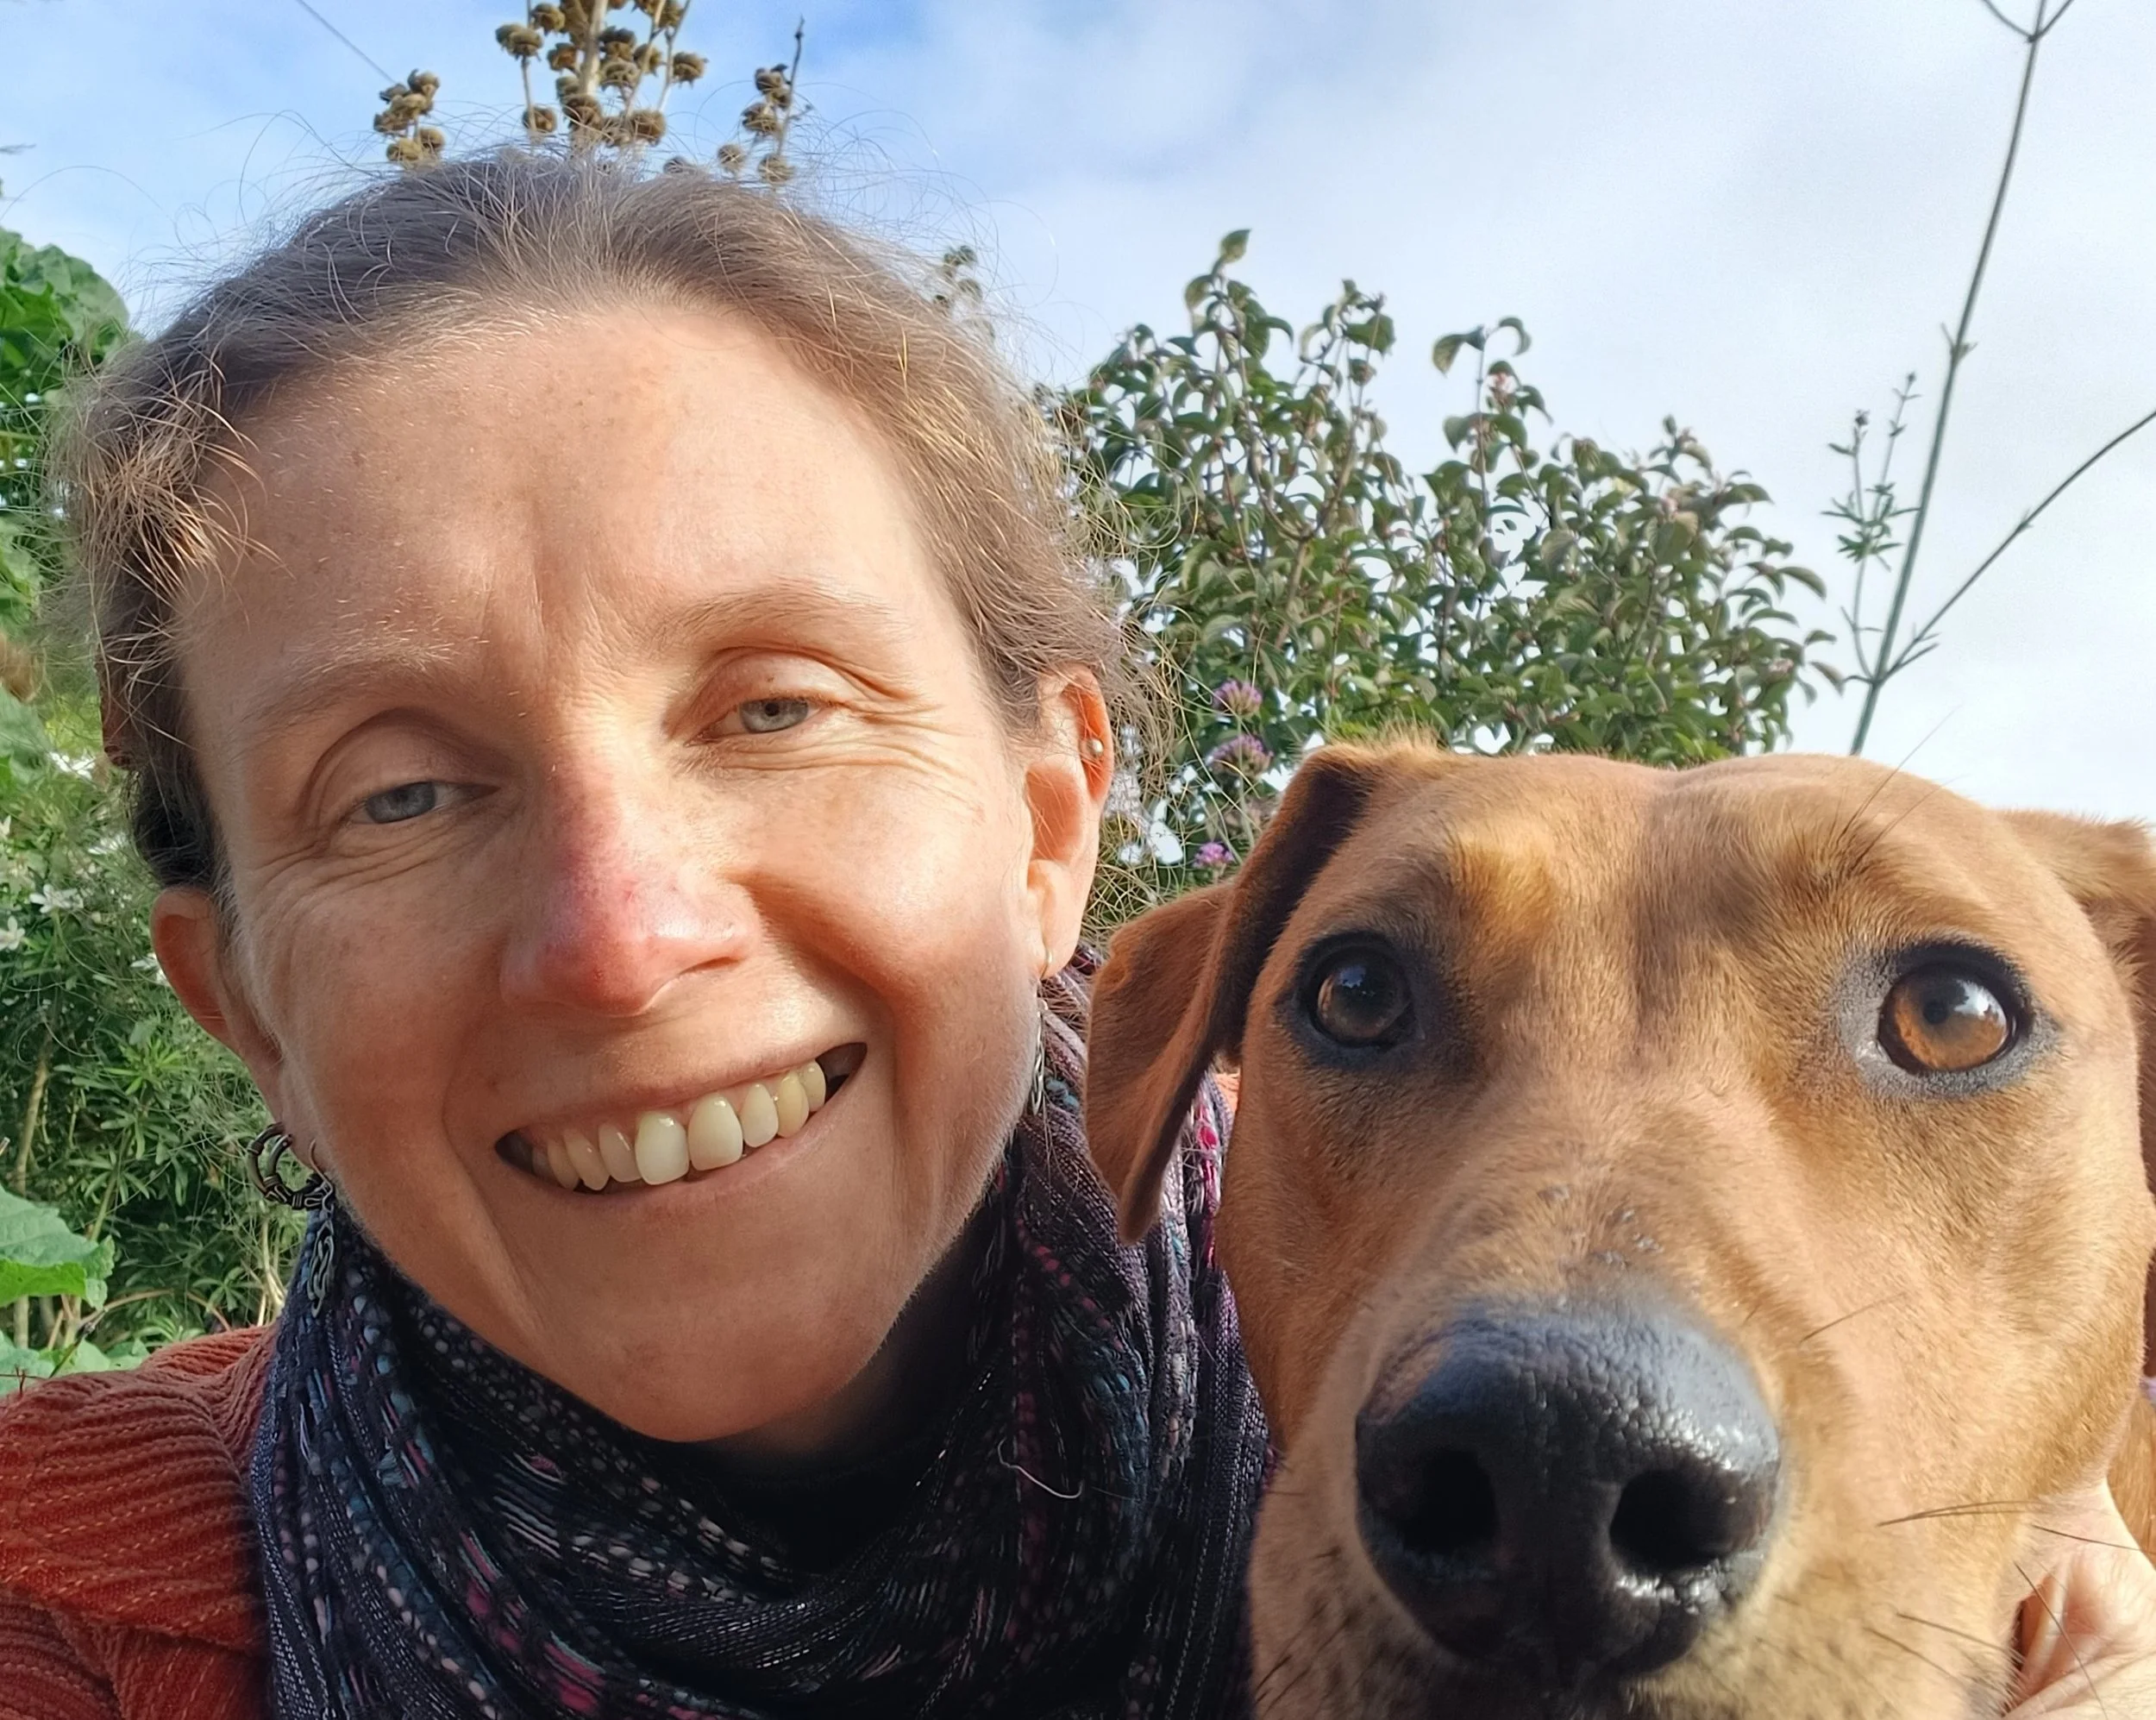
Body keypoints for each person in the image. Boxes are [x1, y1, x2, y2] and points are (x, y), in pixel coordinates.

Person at [0, 154, 2147, 1720]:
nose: (617, 940)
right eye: (395, 793)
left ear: (1051, 837)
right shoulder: (73, 1607)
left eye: (773, 708)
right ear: (244, 1009)